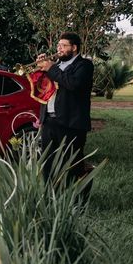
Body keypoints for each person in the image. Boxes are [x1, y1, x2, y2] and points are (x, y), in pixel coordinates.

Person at [36, 32, 93, 182]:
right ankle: (50, 197)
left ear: (74, 48)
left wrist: (51, 68)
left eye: (63, 45)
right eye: (58, 45)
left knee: (71, 165)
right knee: (48, 164)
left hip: (71, 124)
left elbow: (73, 84)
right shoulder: (56, 66)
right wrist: (40, 68)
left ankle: (74, 201)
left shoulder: (84, 65)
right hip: (49, 122)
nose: (59, 48)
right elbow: (41, 88)